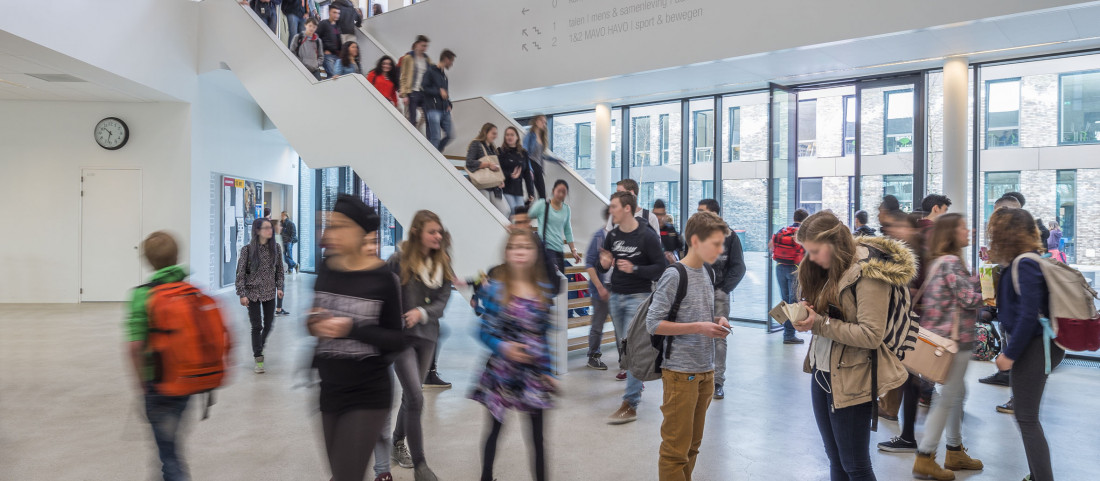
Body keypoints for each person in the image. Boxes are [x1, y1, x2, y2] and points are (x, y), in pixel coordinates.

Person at [790, 211, 914, 481]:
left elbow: (871, 335)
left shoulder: (869, 273)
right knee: (835, 458)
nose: (810, 258)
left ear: (834, 244)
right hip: (823, 371)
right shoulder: (829, 267)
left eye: (814, 251)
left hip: (853, 377)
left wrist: (819, 324)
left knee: (855, 466)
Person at [308, 195, 407, 481]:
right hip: (329, 388)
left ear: (360, 231)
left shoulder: (383, 278)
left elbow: (396, 340)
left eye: (339, 226)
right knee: (340, 474)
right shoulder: (326, 268)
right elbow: (313, 321)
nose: (330, 233)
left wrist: (350, 328)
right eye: (330, 225)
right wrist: (314, 324)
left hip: (368, 392)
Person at [649, 211, 732, 480]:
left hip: (705, 371)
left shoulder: (707, 271)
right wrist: (699, 327)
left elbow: (699, 314)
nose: (720, 251)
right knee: (675, 451)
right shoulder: (674, 275)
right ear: (696, 241)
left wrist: (716, 321)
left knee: (693, 447)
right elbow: (653, 323)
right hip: (680, 374)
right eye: (715, 244)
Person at [470, 228, 557, 481]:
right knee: (494, 431)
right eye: (515, 247)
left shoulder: (543, 290)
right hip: (502, 373)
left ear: (535, 254)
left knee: (538, 439)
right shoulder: (496, 288)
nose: (520, 252)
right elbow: (483, 331)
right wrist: (503, 347)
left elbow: (543, 336)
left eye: (526, 247)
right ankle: (486, 477)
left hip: (533, 374)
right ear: (507, 252)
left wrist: (548, 372)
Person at [372, 211, 452, 481]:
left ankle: (397, 441)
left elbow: (441, 301)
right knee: (417, 396)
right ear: (418, 232)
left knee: (411, 397)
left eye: (439, 232)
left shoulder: (443, 263)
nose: (438, 236)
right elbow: (383, 293)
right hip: (402, 338)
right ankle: (421, 465)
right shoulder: (399, 260)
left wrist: (422, 312)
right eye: (432, 231)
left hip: (428, 335)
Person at [989, 208, 1064, 481]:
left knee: (1027, 418)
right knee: (1025, 416)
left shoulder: (1026, 263)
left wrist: (1009, 354)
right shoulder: (1023, 261)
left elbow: (1029, 314)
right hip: (1035, 345)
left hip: (1034, 347)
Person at [910, 213, 985, 480]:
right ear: (951, 233)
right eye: (964, 227)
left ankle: (954, 450)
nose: (970, 230)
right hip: (955, 341)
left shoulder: (939, 261)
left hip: (944, 340)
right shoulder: (952, 262)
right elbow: (968, 299)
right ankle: (925, 456)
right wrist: (984, 285)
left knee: (956, 392)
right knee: (947, 397)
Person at [126, 232, 193, 481]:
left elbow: (134, 347)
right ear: (176, 256)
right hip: (186, 382)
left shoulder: (142, 296)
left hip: (158, 384)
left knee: (169, 455)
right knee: (170, 446)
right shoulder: (190, 292)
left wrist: (141, 382)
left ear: (148, 261)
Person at [599, 191, 668, 423]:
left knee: (634, 348)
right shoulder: (613, 236)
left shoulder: (646, 236)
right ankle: (635, 387)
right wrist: (604, 264)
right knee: (623, 346)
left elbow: (660, 267)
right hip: (616, 296)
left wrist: (636, 269)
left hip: (638, 297)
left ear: (627, 208)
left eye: (614, 207)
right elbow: (605, 264)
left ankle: (630, 402)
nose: (611, 211)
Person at [696, 199, 746, 401]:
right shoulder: (694, 235)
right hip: (697, 292)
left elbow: (738, 267)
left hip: (719, 294)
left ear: (715, 214)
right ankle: (699, 377)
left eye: (702, 212)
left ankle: (718, 382)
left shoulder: (730, 237)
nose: (698, 215)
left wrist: (724, 289)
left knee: (719, 337)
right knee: (696, 333)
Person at [235, 217, 285, 374]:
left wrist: (280, 287)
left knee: (269, 324)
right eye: (266, 228)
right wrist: (242, 294)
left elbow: (280, 271)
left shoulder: (276, 248)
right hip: (253, 293)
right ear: (257, 231)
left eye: (271, 227)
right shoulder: (247, 250)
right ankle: (258, 357)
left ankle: (259, 345)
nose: (270, 230)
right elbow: (240, 274)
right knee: (257, 326)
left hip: (269, 292)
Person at [770, 208, 809, 344]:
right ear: (805, 220)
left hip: (780, 267)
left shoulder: (782, 230)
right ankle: (789, 335)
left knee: (786, 301)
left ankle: (787, 332)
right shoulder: (802, 234)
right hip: (794, 269)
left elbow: (771, 245)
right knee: (792, 303)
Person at [528, 180, 582, 275]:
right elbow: (527, 216)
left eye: (564, 192)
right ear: (553, 191)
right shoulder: (542, 205)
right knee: (551, 280)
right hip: (546, 249)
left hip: (559, 250)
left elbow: (567, 230)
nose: (561, 194)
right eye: (559, 191)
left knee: (559, 283)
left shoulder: (566, 209)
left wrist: (573, 250)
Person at [585, 207, 612, 370]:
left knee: (621, 327)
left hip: (617, 289)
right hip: (600, 289)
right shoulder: (599, 236)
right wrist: (600, 287)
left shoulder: (621, 237)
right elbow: (589, 264)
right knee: (598, 325)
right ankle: (593, 356)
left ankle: (625, 360)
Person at [465, 123, 509, 216]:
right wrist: (488, 164)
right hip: (482, 184)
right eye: (493, 133)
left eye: (496, 134)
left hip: (494, 186)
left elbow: (496, 166)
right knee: (486, 212)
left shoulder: (492, 148)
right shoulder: (476, 144)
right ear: (486, 132)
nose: (495, 136)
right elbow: (469, 163)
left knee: (505, 211)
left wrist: (500, 179)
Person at [422, 49, 455, 151]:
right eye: (451, 61)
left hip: (445, 110)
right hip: (433, 109)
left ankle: (437, 154)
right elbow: (424, 87)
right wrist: (438, 91)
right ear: (445, 59)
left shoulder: (444, 76)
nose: (452, 64)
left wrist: (449, 104)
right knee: (435, 137)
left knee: (450, 135)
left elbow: (446, 93)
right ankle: (433, 158)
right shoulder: (430, 71)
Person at [498, 126, 534, 211]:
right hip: (506, 188)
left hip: (518, 190)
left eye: (512, 135)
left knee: (520, 215)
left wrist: (531, 192)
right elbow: (498, 171)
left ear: (517, 137)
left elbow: (527, 174)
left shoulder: (523, 153)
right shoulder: (500, 151)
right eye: (507, 135)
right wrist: (510, 175)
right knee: (513, 212)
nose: (509, 137)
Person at [398, 36, 432, 126]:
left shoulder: (427, 59)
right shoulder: (408, 58)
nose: (424, 48)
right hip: (412, 92)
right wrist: (404, 94)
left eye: (426, 46)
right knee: (411, 119)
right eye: (423, 45)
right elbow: (403, 77)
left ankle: (425, 137)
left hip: (424, 93)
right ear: (417, 44)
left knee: (428, 118)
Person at [523, 115, 552, 199]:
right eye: (542, 121)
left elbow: (541, 155)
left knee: (542, 195)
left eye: (545, 123)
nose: (544, 124)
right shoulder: (530, 135)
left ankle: (541, 211)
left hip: (538, 167)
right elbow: (525, 152)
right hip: (531, 165)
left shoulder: (542, 138)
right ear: (536, 122)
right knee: (531, 195)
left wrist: (556, 160)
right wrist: (529, 169)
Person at [272, 220, 290, 317]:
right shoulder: (274, 238)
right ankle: (278, 309)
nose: (281, 227)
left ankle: (278, 308)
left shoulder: (277, 237)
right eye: (279, 225)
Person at [317, 7, 342, 78]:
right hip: (328, 55)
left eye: (338, 13)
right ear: (329, 12)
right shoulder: (323, 23)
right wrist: (324, 50)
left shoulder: (337, 26)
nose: (336, 15)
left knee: (338, 77)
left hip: (337, 56)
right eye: (334, 12)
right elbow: (316, 38)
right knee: (333, 77)